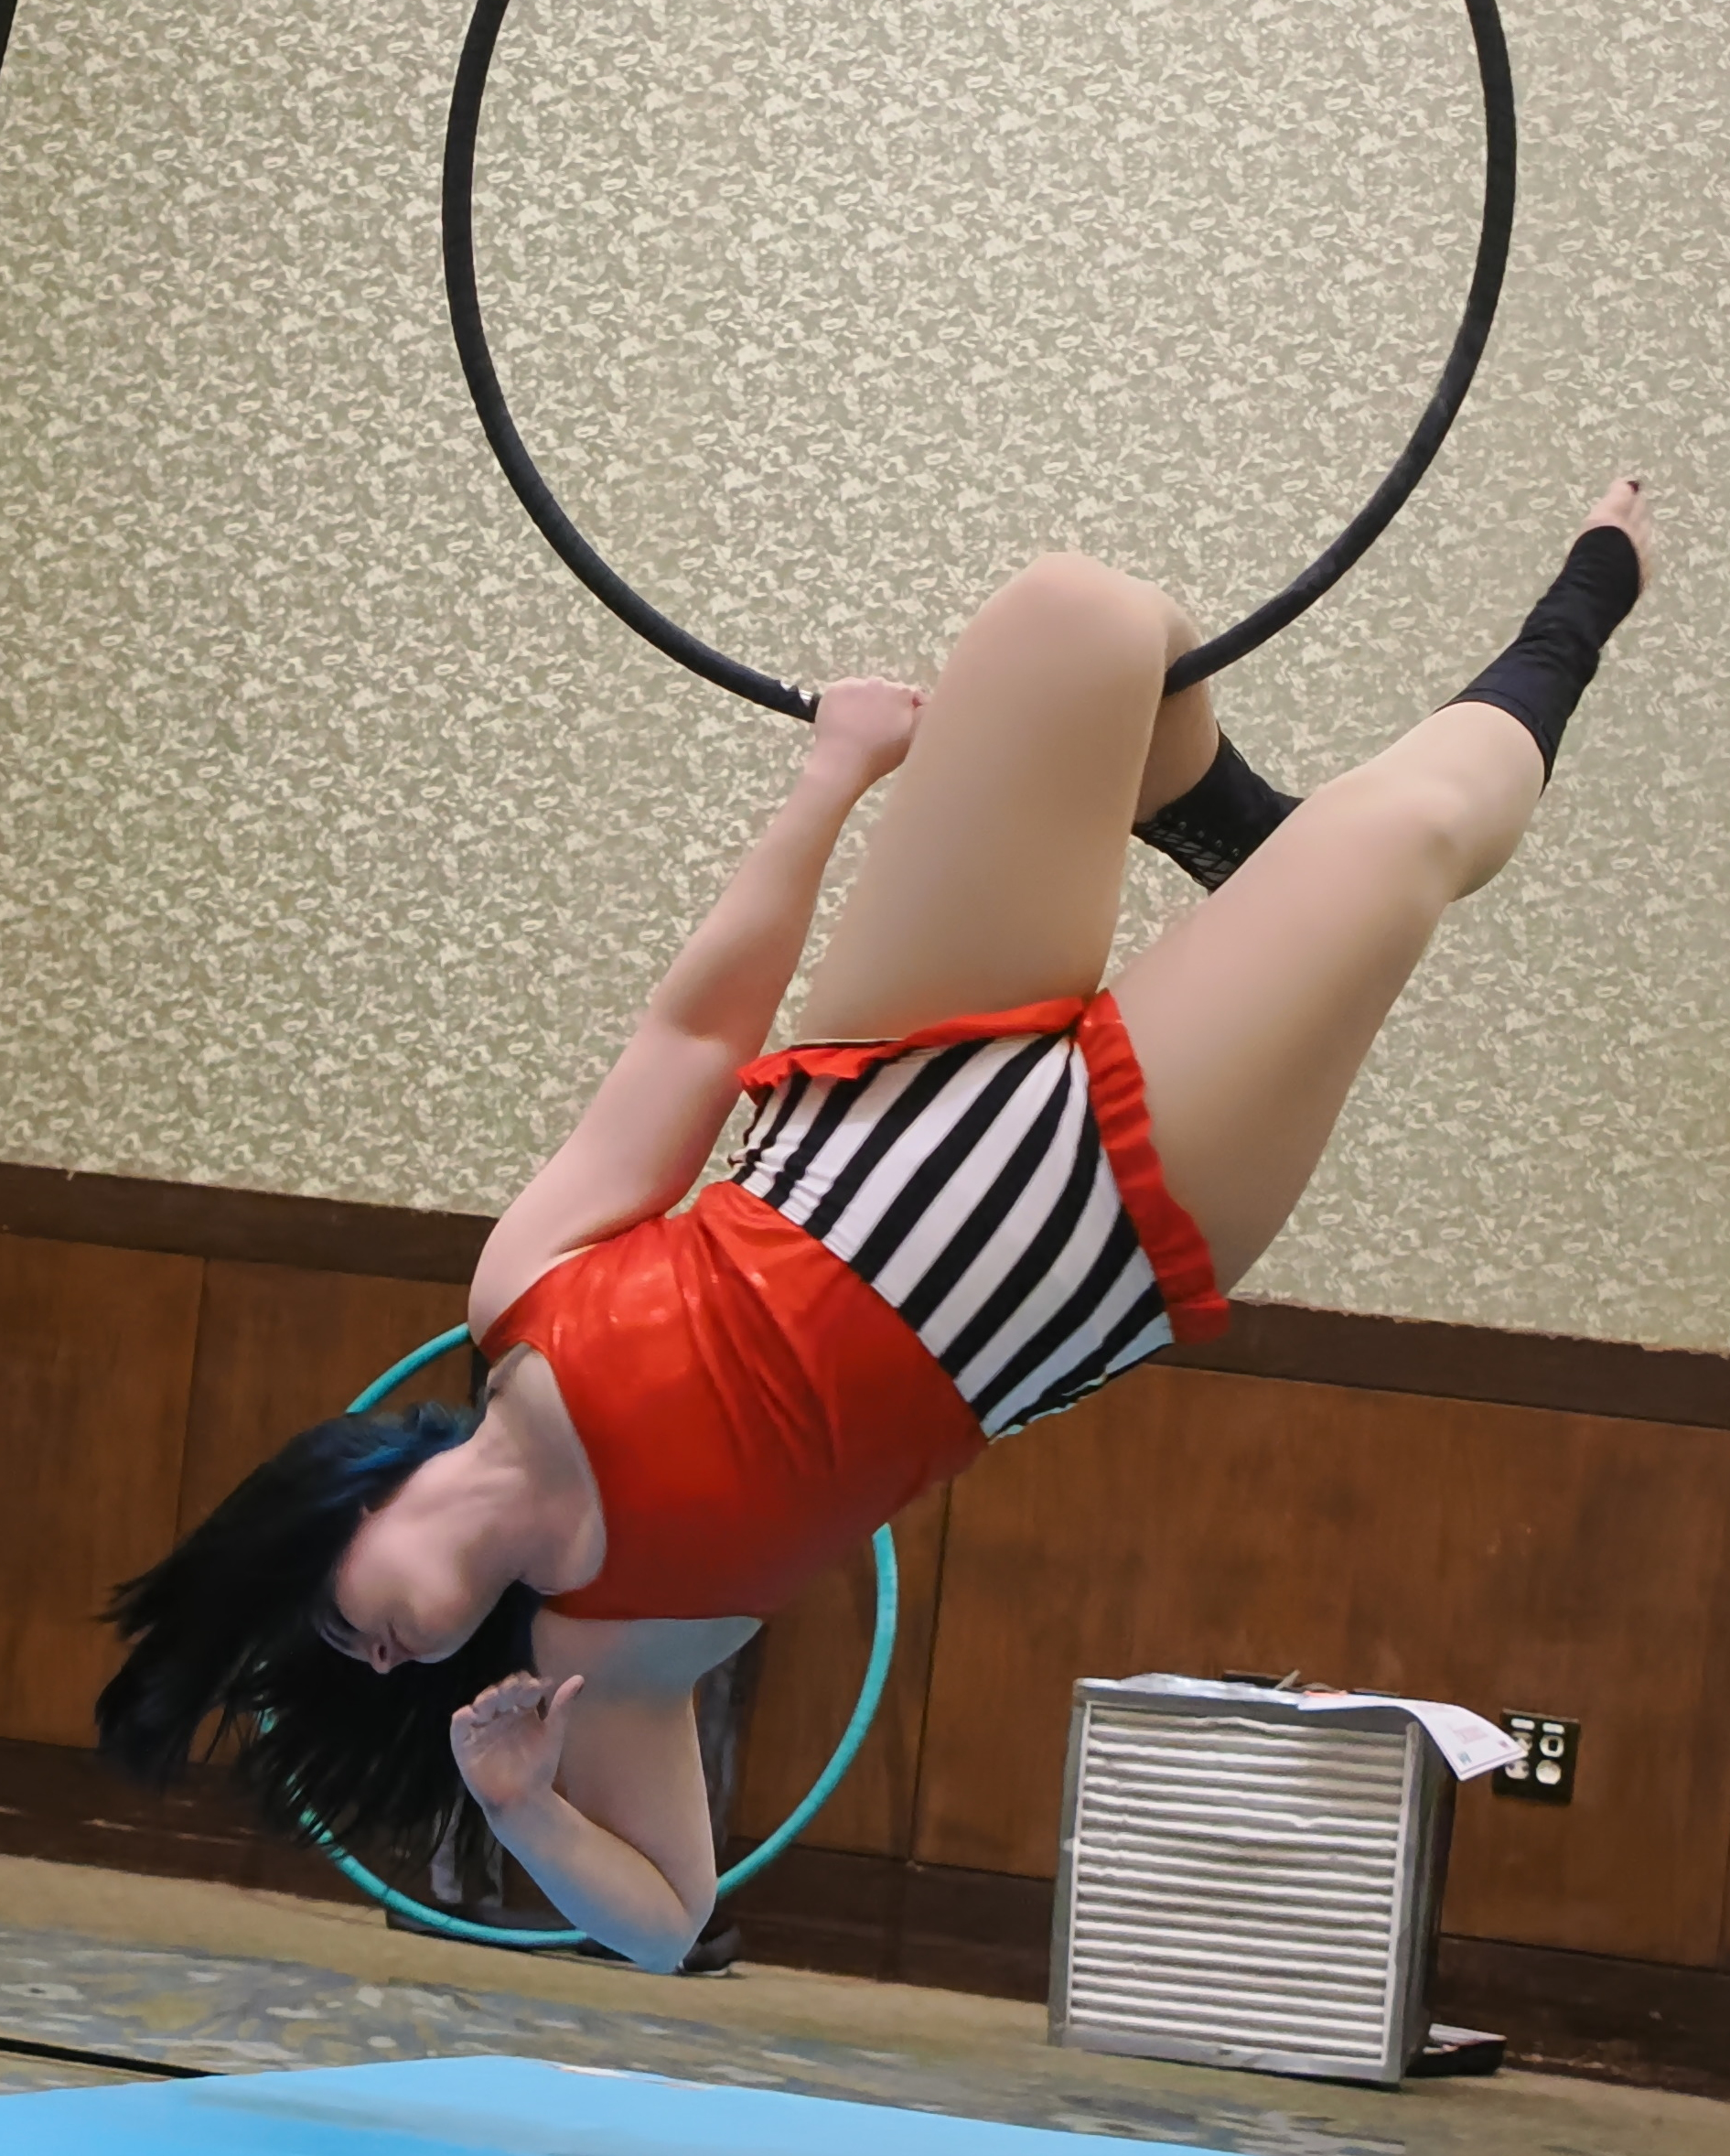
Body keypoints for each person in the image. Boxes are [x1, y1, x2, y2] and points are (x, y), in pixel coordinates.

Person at [98, 479, 1650, 1971]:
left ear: (339, 1506)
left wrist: (832, 777)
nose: (368, 1658)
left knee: (1082, 618)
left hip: (882, 1081)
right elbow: (663, 1920)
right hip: (1081, 1234)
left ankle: (1236, 837)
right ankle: (1585, 603)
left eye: (327, 1621)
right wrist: (523, 1809)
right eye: (349, 1671)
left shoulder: (516, 1300)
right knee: (1401, 839)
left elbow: (693, 1038)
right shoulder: (601, 1659)